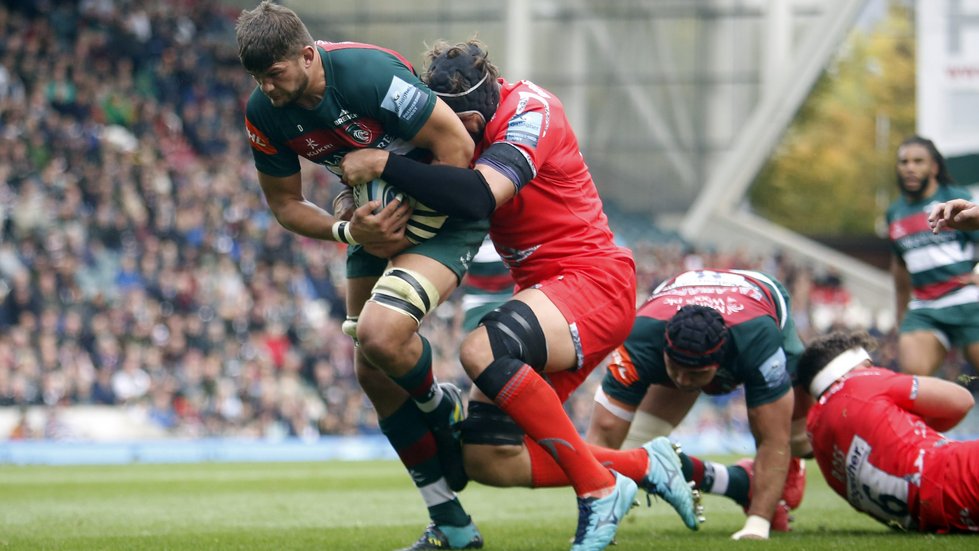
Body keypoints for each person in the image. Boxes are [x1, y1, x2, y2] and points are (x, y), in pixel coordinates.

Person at [339, 39, 698, 551]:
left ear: (486, 103)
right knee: (488, 457)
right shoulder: (439, 123)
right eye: (450, 123)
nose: (459, 137)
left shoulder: (533, 110)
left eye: (468, 123)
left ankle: (598, 490)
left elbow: (477, 194)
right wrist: (359, 220)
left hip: (592, 281)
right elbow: (369, 185)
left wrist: (385, 165)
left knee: (479, 349)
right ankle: (644, 465)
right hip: (544, 293)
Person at [235, 4, 490, 549]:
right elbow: (285, 204)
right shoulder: (264, 111)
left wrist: (399, 196)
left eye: (274, 74)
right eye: (257, 78)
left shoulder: (368, 74)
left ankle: (443, 409)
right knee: (371, 368)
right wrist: (349, 232)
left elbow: (458, 149)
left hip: (444, 216)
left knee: (379, 334)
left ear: (306, 55)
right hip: (371, 223)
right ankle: (452, 525)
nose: (266, 88)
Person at [585, 268, 811, 540]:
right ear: (663, 351)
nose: (681, 380)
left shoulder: (757, 340)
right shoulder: (640, 338)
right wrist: (592, 523)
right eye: (674, 368)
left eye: (696, 373)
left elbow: (774, 439)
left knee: (799, 440)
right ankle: (741, 483)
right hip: (685, 303)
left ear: (721, 362)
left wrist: (757, 525)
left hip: (758, 300)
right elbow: (602, 438)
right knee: (633, 453)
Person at [797, 329, 979, 533]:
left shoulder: (817, 436)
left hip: (940, 517)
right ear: (859, 365)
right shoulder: (860, 382)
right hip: (955, 473)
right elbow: (961, 400)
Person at [887, 135, 979, 377]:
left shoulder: (959, 200)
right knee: (913, 385)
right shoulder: (894, 213)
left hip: (969, 301)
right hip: (925, 308)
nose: (910, 168)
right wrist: (901, 317)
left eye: (918, 161)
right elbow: (900, 269)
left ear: (934, 167)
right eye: (904, 162)